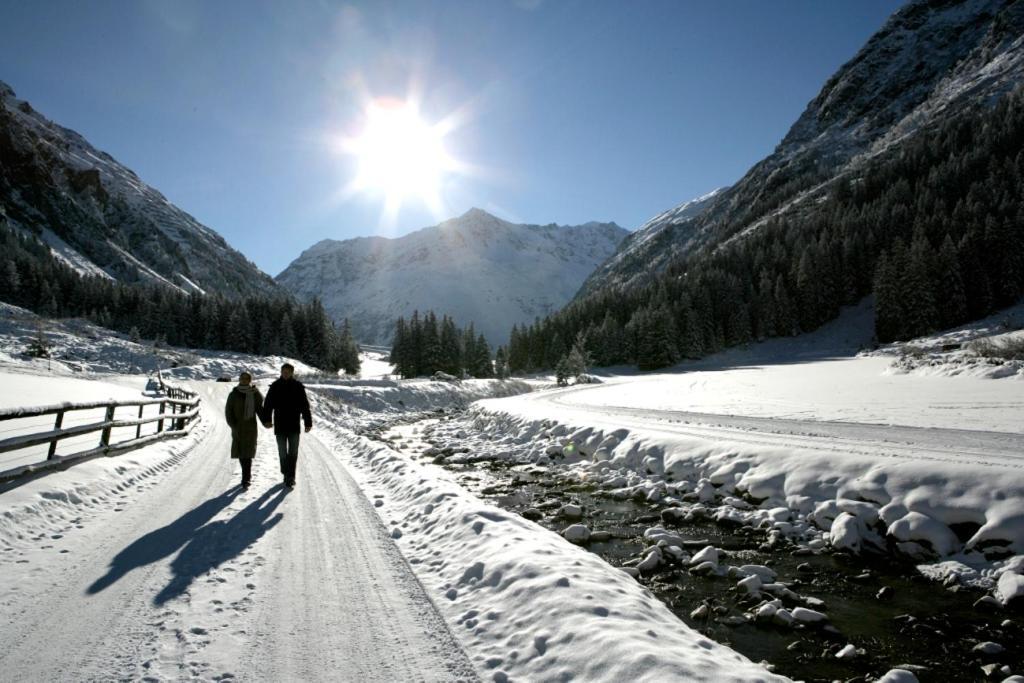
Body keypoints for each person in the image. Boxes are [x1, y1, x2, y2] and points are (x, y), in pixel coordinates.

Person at [261, 363, 312, 488]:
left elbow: (304, 405)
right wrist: (267, 420)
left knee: (293, 452)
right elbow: (268, 405)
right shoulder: (275, 386)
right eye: (284, 371)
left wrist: (308, 422)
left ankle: (291, 477)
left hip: (294, 424)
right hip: (280, 424)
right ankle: (285, 472)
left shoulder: (298, 386)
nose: (286, 373)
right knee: (282, 452)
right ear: (281, 372)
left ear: (292, 372)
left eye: (288, 371)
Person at [224, 371, 264, 490]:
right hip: (238, 427)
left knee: (248, 452)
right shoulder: (233, 394)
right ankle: (245, 476)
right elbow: (228, 411)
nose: (244, 380)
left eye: (247, 378)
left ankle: (246, 478)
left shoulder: (255, 393)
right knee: (241, 452)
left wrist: (266, 421)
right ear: (239, 379)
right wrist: (233, 425)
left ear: (250, 380)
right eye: (242, 378)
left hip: (251, 427)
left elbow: (260, 409)